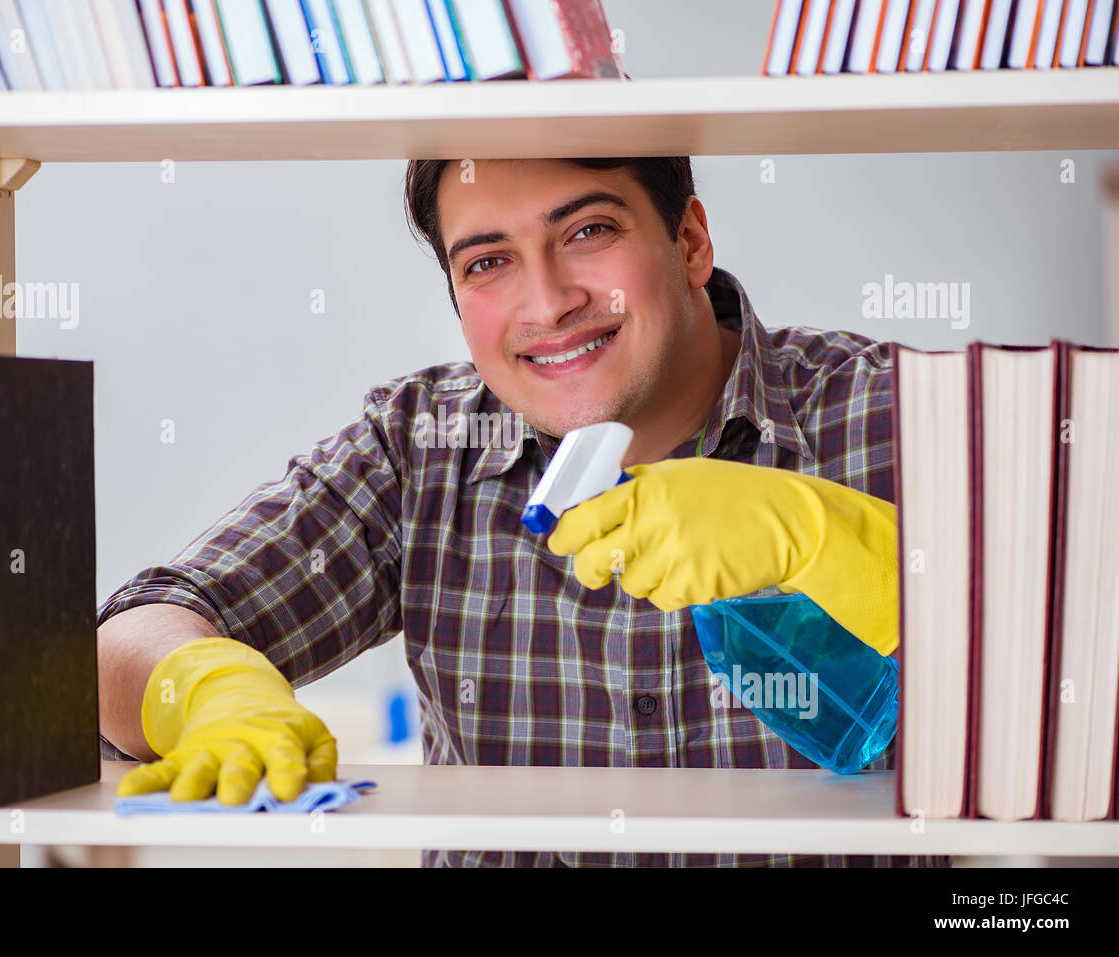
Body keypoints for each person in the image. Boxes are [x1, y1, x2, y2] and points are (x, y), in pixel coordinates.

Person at [96, 156, 949, 867]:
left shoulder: (906, 412)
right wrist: (208, 689)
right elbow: (127, 635)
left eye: (587, 232)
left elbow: (1079, 675)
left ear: (689, 240)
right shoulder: (418, 447)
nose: (548, 303)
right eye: (488, 262)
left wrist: (837, 541)